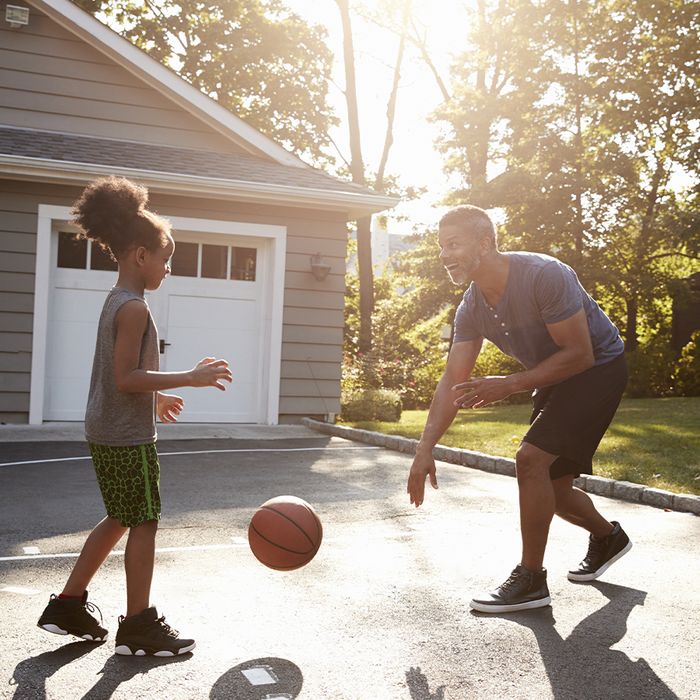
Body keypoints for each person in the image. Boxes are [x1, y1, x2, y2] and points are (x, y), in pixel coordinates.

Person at [37, 176, 232, 654]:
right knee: (143, 520)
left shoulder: (119, 301)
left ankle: (67, 604)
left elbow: (131, 375)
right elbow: (126, 377)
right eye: (165, 258)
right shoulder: (134, 309)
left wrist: (157, 397)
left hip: (108, 426)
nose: (168, 268)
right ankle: (139, 625)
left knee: (120, 517)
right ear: (140, 255)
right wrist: (189, 377)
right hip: (124, 434)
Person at [407, 205, 632, 613]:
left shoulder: (544, 275)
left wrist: (507, 385)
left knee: (530, 461)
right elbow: (451, 381)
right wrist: (425, 448)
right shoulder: (471, 307)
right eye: (441, 247)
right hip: (555, 376)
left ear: (486, 243)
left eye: (453, 244)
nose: (444, 255)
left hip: (597, 367)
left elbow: (579, 354)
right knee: (554, 491)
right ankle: (607, 536)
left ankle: (531, 579)